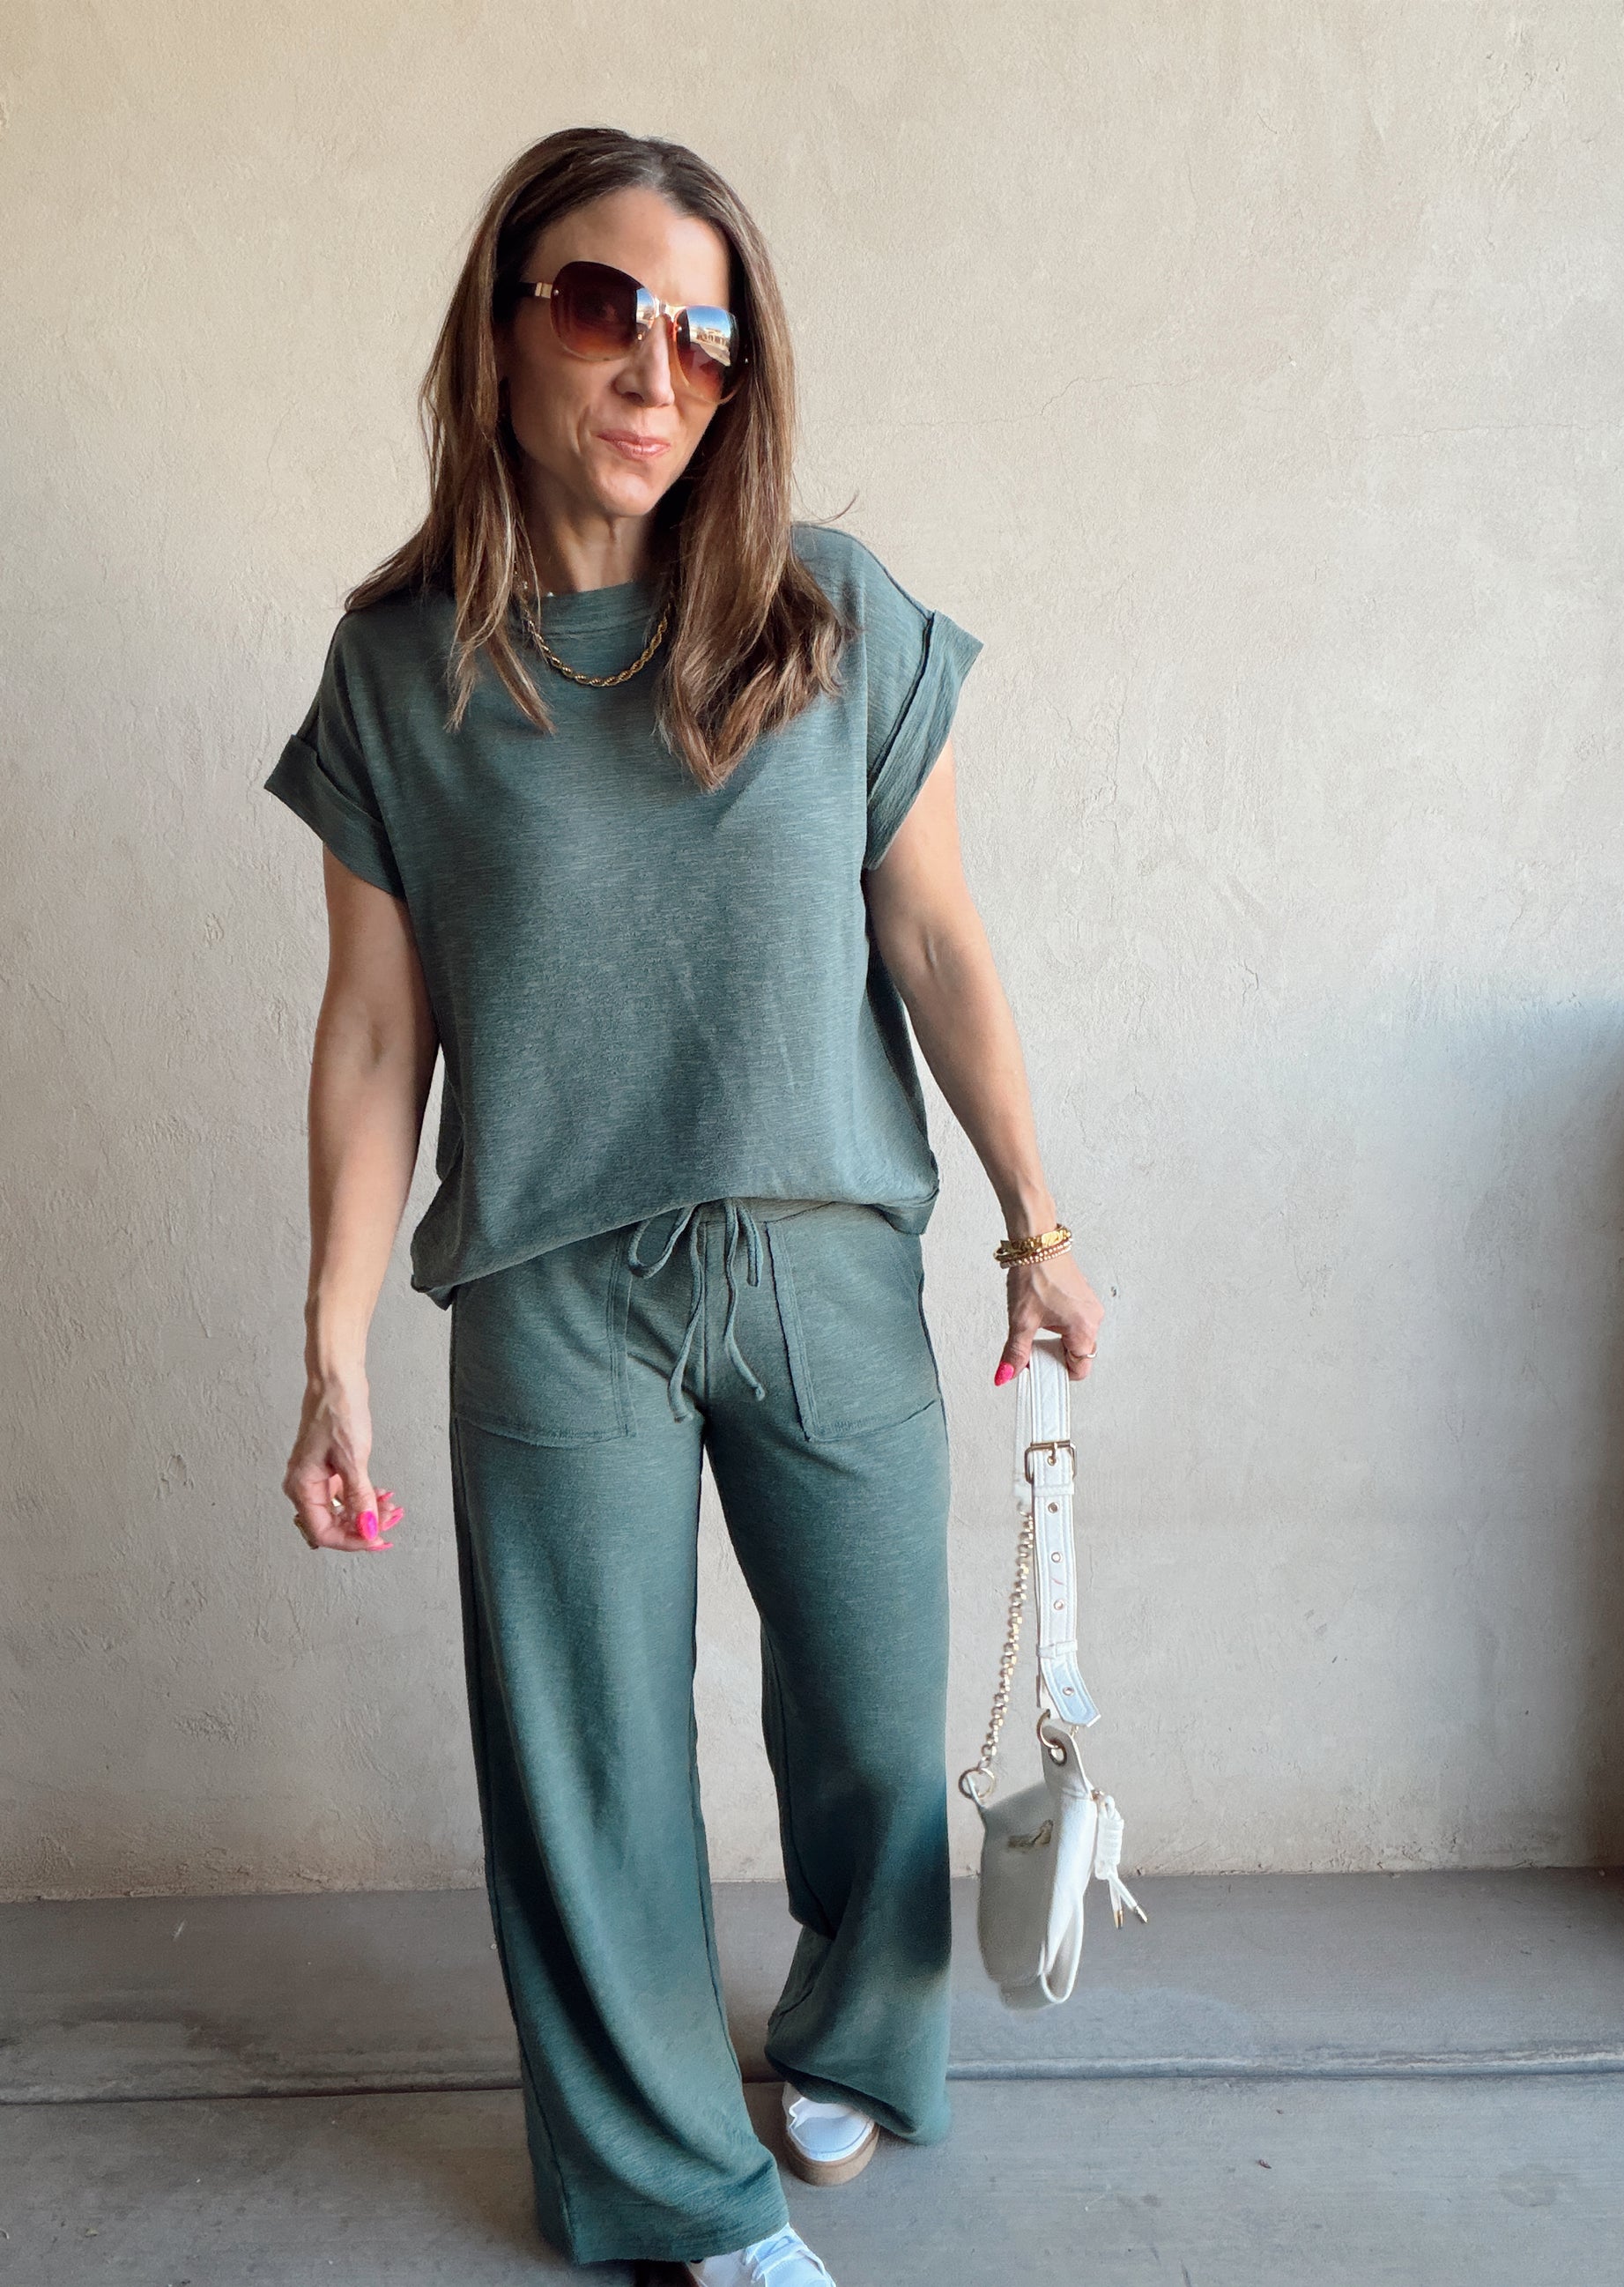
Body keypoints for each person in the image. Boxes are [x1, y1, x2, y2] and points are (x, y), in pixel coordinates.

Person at [263, 124, 1104, 2287]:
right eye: (603, 307)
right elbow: (375, 1029)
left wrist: (1032, 1217)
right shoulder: (397, 670)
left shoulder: (832, 614)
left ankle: (856, 2028)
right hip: (551, 1279)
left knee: (870, 1722)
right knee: (589, 1767)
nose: (657, 370)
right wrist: (333, 1337)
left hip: (823, 1251)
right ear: (501, 327)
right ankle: (675, 2193)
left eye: (707, 337)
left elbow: (935, 938)